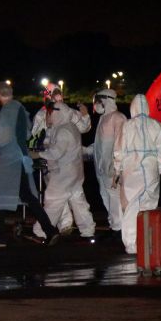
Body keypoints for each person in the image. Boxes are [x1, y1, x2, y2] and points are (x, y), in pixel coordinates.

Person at [0, 81, 59, 246]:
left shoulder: (7, 110)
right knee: (28, 197)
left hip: (9, 161)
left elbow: (4, 136)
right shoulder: (19, 108)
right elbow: (25, 133)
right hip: (20, 159)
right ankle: (50, 230)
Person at [114, 94, 161, 254]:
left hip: (132, 170)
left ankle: (132, 244)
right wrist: (159, 168)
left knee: (131, 206)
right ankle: (148, 242)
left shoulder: (127, 126)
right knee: (149, 205)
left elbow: (119, 150)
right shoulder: (156, 125)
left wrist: (117, 170)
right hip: (150, 170)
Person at [39, 102, 97, 240]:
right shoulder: (69, 127)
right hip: (74, 173)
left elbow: (56, 153)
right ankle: (88, 230)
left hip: (63, 175)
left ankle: (41, 231)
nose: (47, 116)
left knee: (53, 202)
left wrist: (38, 154)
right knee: (78, 202)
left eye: (49, 113)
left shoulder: (63, 131)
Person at [84, 89, 127, 237]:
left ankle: (119, 228)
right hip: (101, 168)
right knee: (106, 196)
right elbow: (99, 145)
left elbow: (120, 144)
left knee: (114, 198)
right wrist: (83, 150)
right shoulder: (104, 118)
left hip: (111, 168)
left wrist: (116, 166)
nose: (94, 106)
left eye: (96, 102)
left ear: (105, 101)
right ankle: (114, 225)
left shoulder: (118, 118)